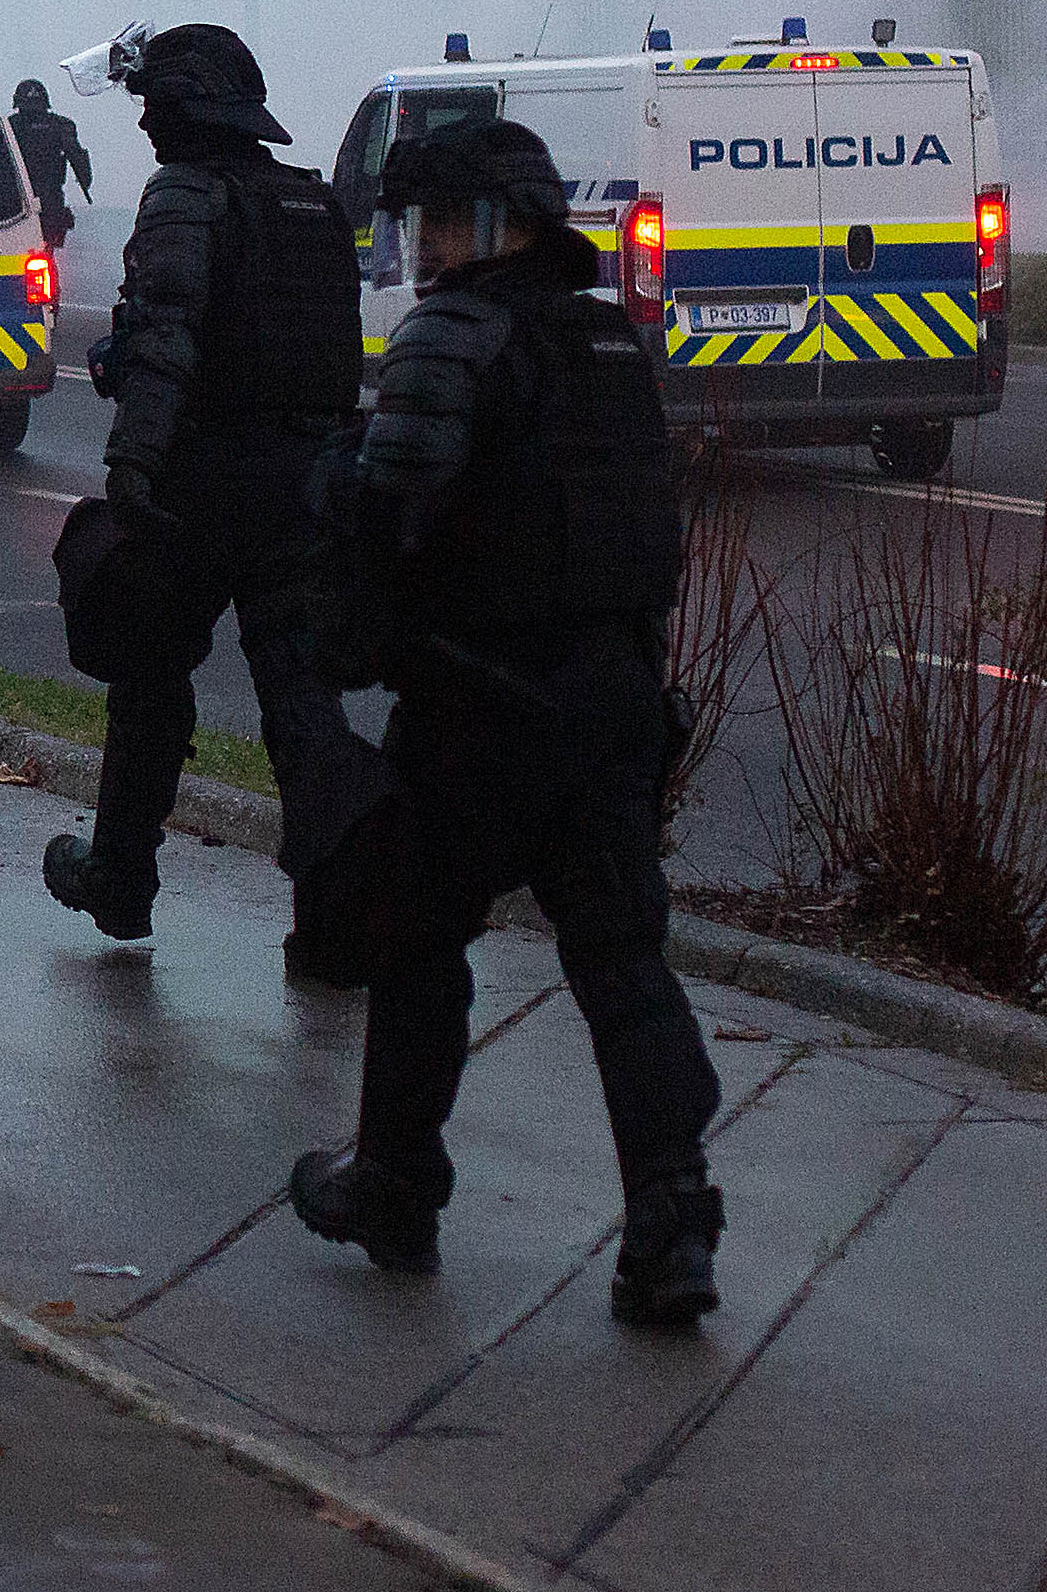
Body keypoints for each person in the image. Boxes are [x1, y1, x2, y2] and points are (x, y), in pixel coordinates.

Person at [293, 116, 724, 1329]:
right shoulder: (608, 339)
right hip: (613, 705)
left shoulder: (456, 331)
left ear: (494, 223)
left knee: (417, 943)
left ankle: (394, 1187)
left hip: (481, 704)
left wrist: (331, 480)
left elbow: (391, 508)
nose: (423, 245)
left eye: (437, 220)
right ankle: (675, 1220)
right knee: (624, 963)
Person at [42, 21, 361, 942]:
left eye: (152, 105)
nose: (143, 123)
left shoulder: (184, 195)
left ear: (186, 111)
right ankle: (330, 922)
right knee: (303, 706)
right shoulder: (313, 203)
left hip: (202, 486)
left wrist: (132, 462)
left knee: (146, 681)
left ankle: (121, 879)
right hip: (301, 488)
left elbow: (172, 339)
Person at [11, 74, 97, 250]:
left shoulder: (10, 126)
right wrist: (85, 182)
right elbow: (77, 158)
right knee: (47, 250)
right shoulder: (61, 126)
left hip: (18, 198)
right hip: (50, 197)